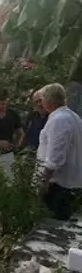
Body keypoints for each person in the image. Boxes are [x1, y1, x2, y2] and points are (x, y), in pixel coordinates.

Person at [37, 83, 82, 220]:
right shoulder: (73, 117)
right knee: (62, 220)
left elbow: (55, 157)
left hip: (56, 183)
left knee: (51, 222)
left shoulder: (59, 120)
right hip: (68, 181)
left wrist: (44, 180)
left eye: (42, 99)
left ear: (49, 100)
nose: (41, 103)